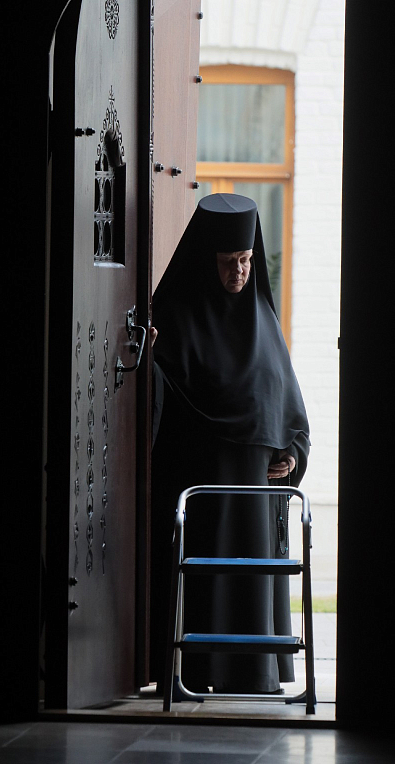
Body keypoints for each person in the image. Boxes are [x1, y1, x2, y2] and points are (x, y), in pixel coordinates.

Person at [150, 193, 310, 694]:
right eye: (227, 262)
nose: (239, 272)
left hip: (257, 492)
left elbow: (289, 409)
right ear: (207, 261)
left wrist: (292, 454)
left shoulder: (263, 318)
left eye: (245, 260)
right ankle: (201, 672)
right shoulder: (176, 319)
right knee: (210, 581)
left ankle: (255, 673)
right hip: (206, 489)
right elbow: (160, 404)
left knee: (251, 580)